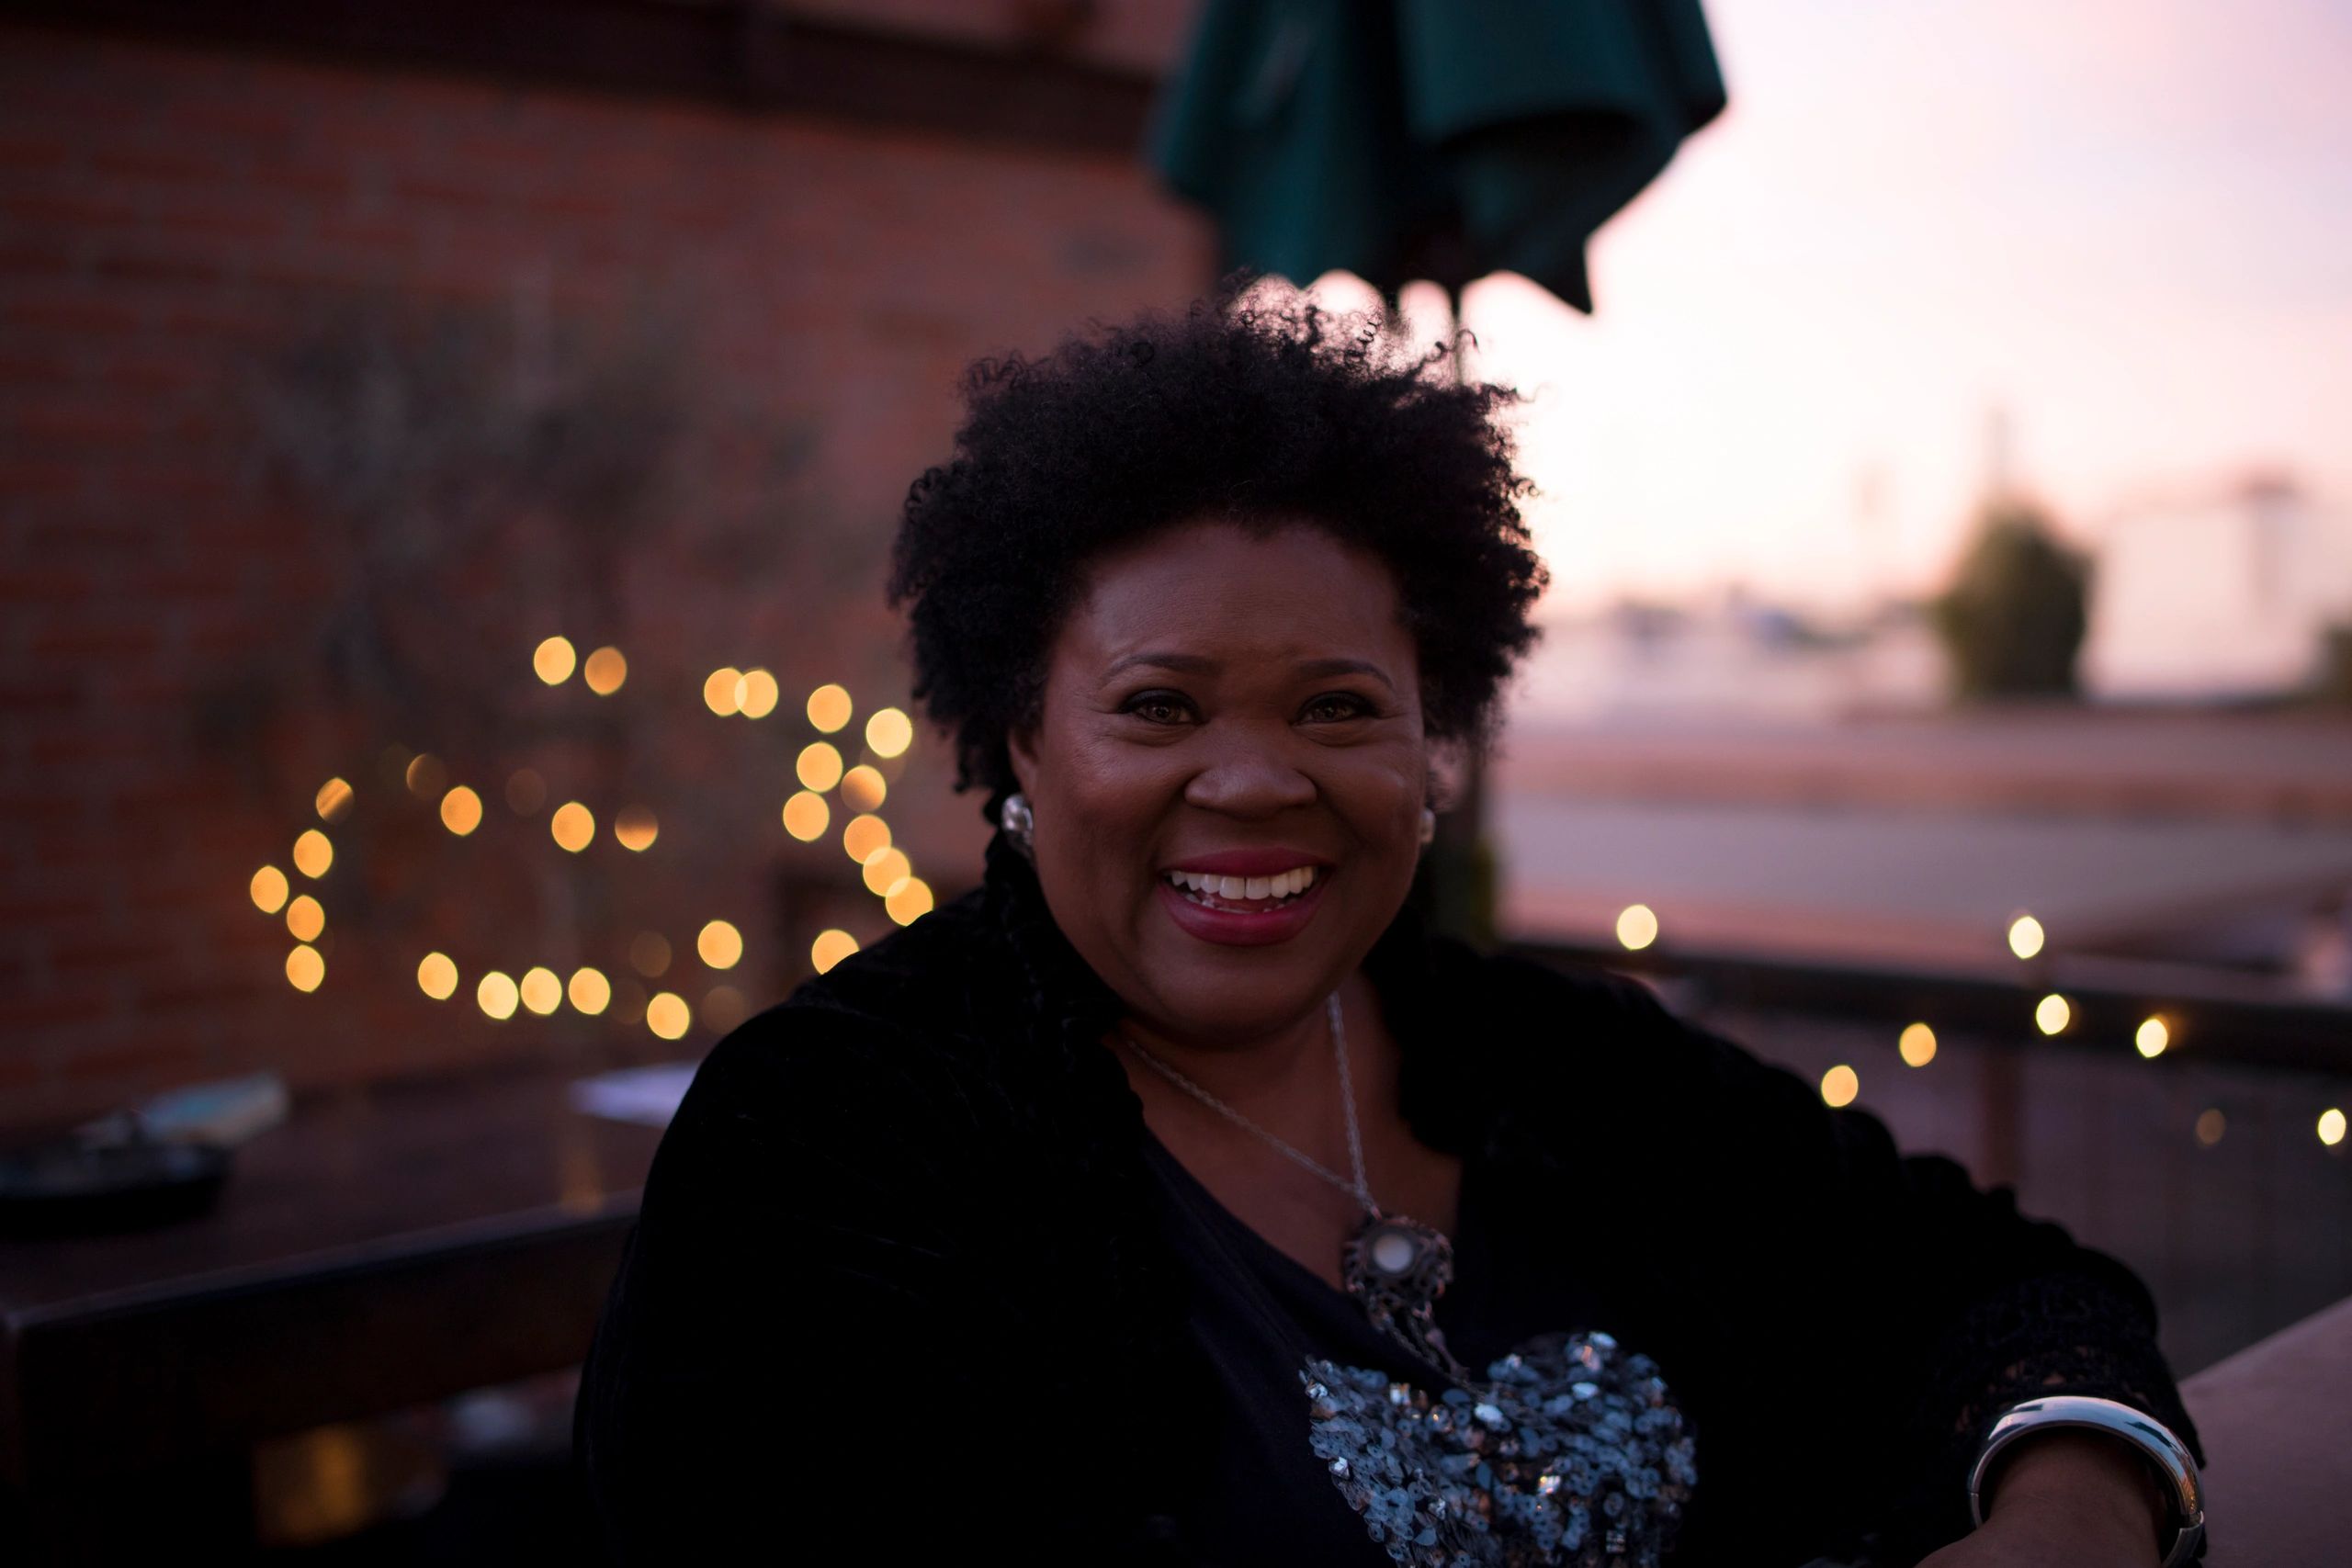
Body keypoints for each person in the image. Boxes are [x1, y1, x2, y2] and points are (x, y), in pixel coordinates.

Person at [573, 287, 2204, 1567]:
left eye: (1340, 706)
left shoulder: (1540, 1060)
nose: (1257, 781)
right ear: (1019, 736)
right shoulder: (835, 1135)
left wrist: (2079, 1502)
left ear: (1434, 740)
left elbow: (1995, 1279)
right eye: (1160, 705)